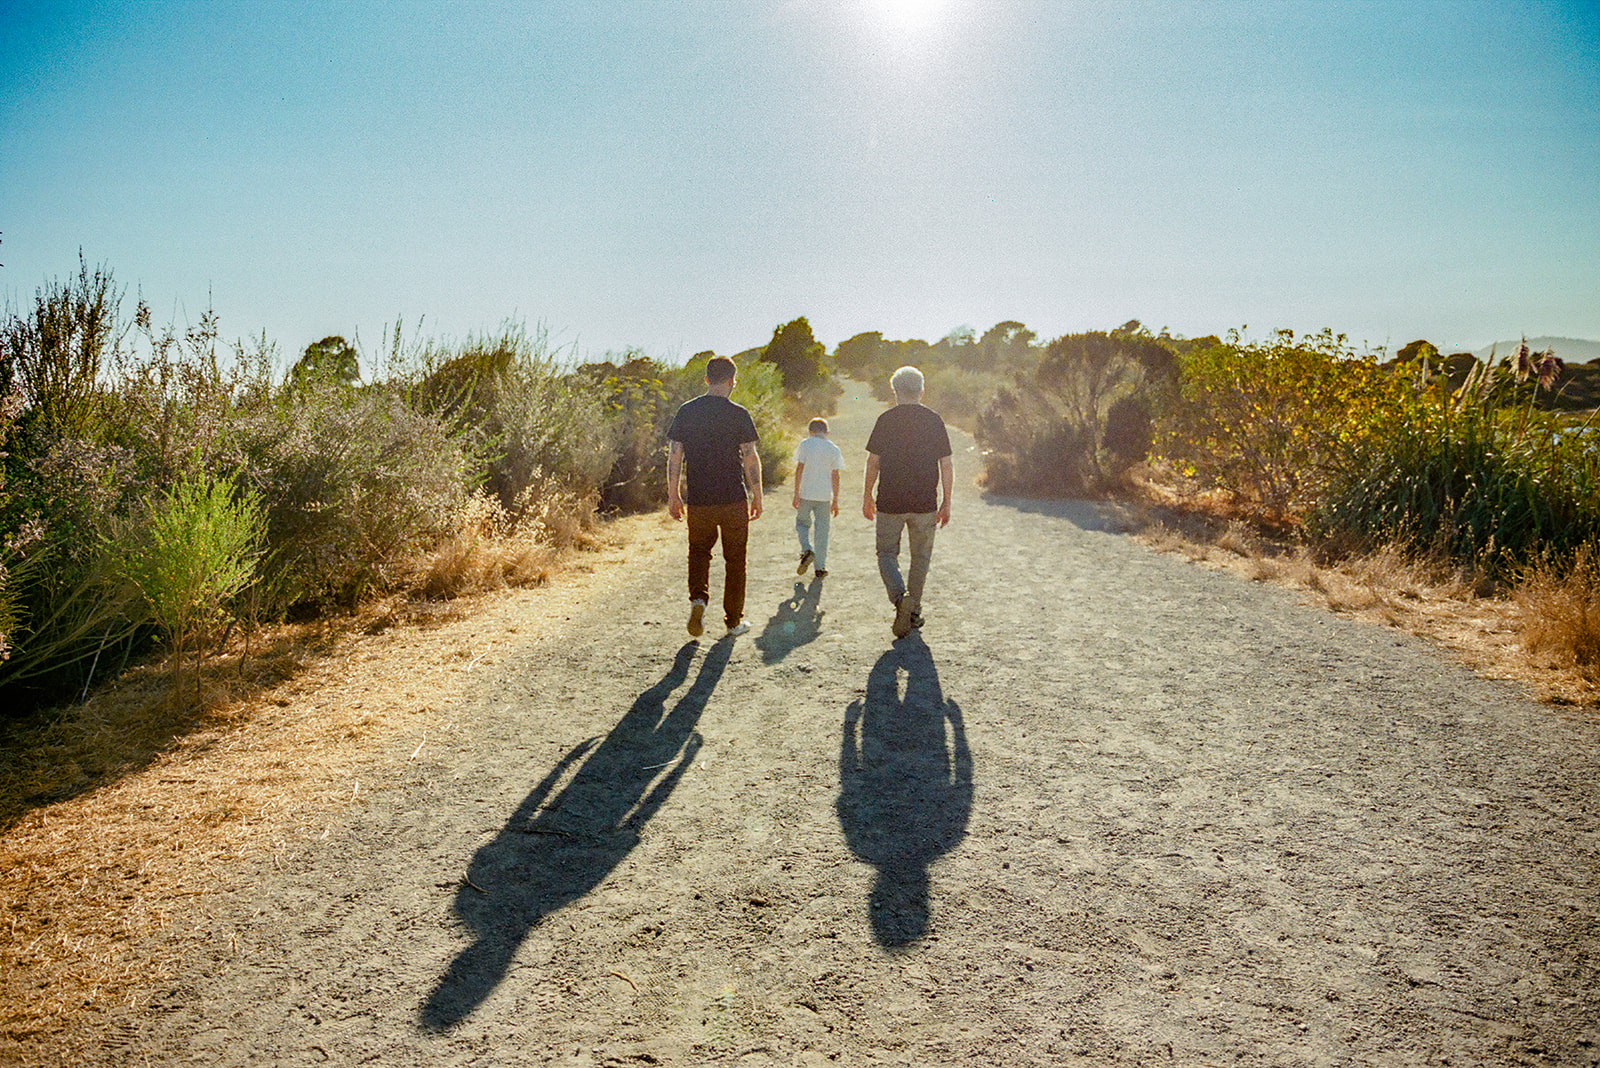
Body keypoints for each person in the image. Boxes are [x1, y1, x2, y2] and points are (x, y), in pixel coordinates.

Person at [667, 355, 763, 638]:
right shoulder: (738, 413)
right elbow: (750, 457)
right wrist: (757, 494)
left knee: (698, 553)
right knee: (736, 560)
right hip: (733, 498)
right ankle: (733, 621)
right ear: (733, 380)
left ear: (706, 380)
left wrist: (673, 495)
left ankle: (698, 600)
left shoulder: (687, 411)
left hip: (699, 501)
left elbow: (675, 455)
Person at [862, 365, 952, 639]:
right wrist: (946, 502)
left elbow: (873, 462)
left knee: (886, 554)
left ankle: (901, 599)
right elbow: (946, 464)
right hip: (925, 502)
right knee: (920, 558)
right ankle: (913, 612)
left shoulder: (886, 419)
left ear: (896, 391)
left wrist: (867, 494)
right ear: (922, 390)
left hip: (890, 500)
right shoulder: (934, 420)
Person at [792, 417, 844, 579]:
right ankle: (820, 567)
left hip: (806, 493)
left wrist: (796, 492)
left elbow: (799, 468)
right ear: (827, 432)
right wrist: (835, 499)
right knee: (822, 531)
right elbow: (835, 475)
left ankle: (807, 549)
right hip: (824, 495)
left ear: (810, 431)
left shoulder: (805, 445)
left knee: (802, 523)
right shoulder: (833, 449)